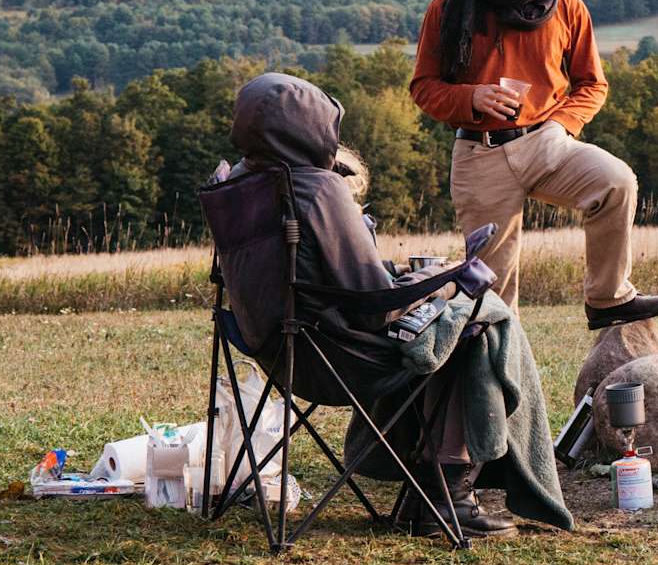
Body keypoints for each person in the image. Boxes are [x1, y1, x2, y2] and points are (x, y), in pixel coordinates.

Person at [222, 72, 572, 538]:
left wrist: (416, 279)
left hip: (277, 350)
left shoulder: (239, 185)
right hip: (342, 359)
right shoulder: (317, 190)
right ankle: (448, 497)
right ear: (307, 129)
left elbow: (316, 276)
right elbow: (375, 308)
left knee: (447, 319)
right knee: (481, 318)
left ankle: (424, 492)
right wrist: (444, 275)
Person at [409, 0, 658, 329]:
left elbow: (593, 84)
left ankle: (607, 299)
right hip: (481, 153)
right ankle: (503, 392)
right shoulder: (448, 5)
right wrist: (471, 98)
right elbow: (424, 87)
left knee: (617, 182)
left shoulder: (567, 8)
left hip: (547, 143)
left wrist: (561, 125)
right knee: (492, 302)